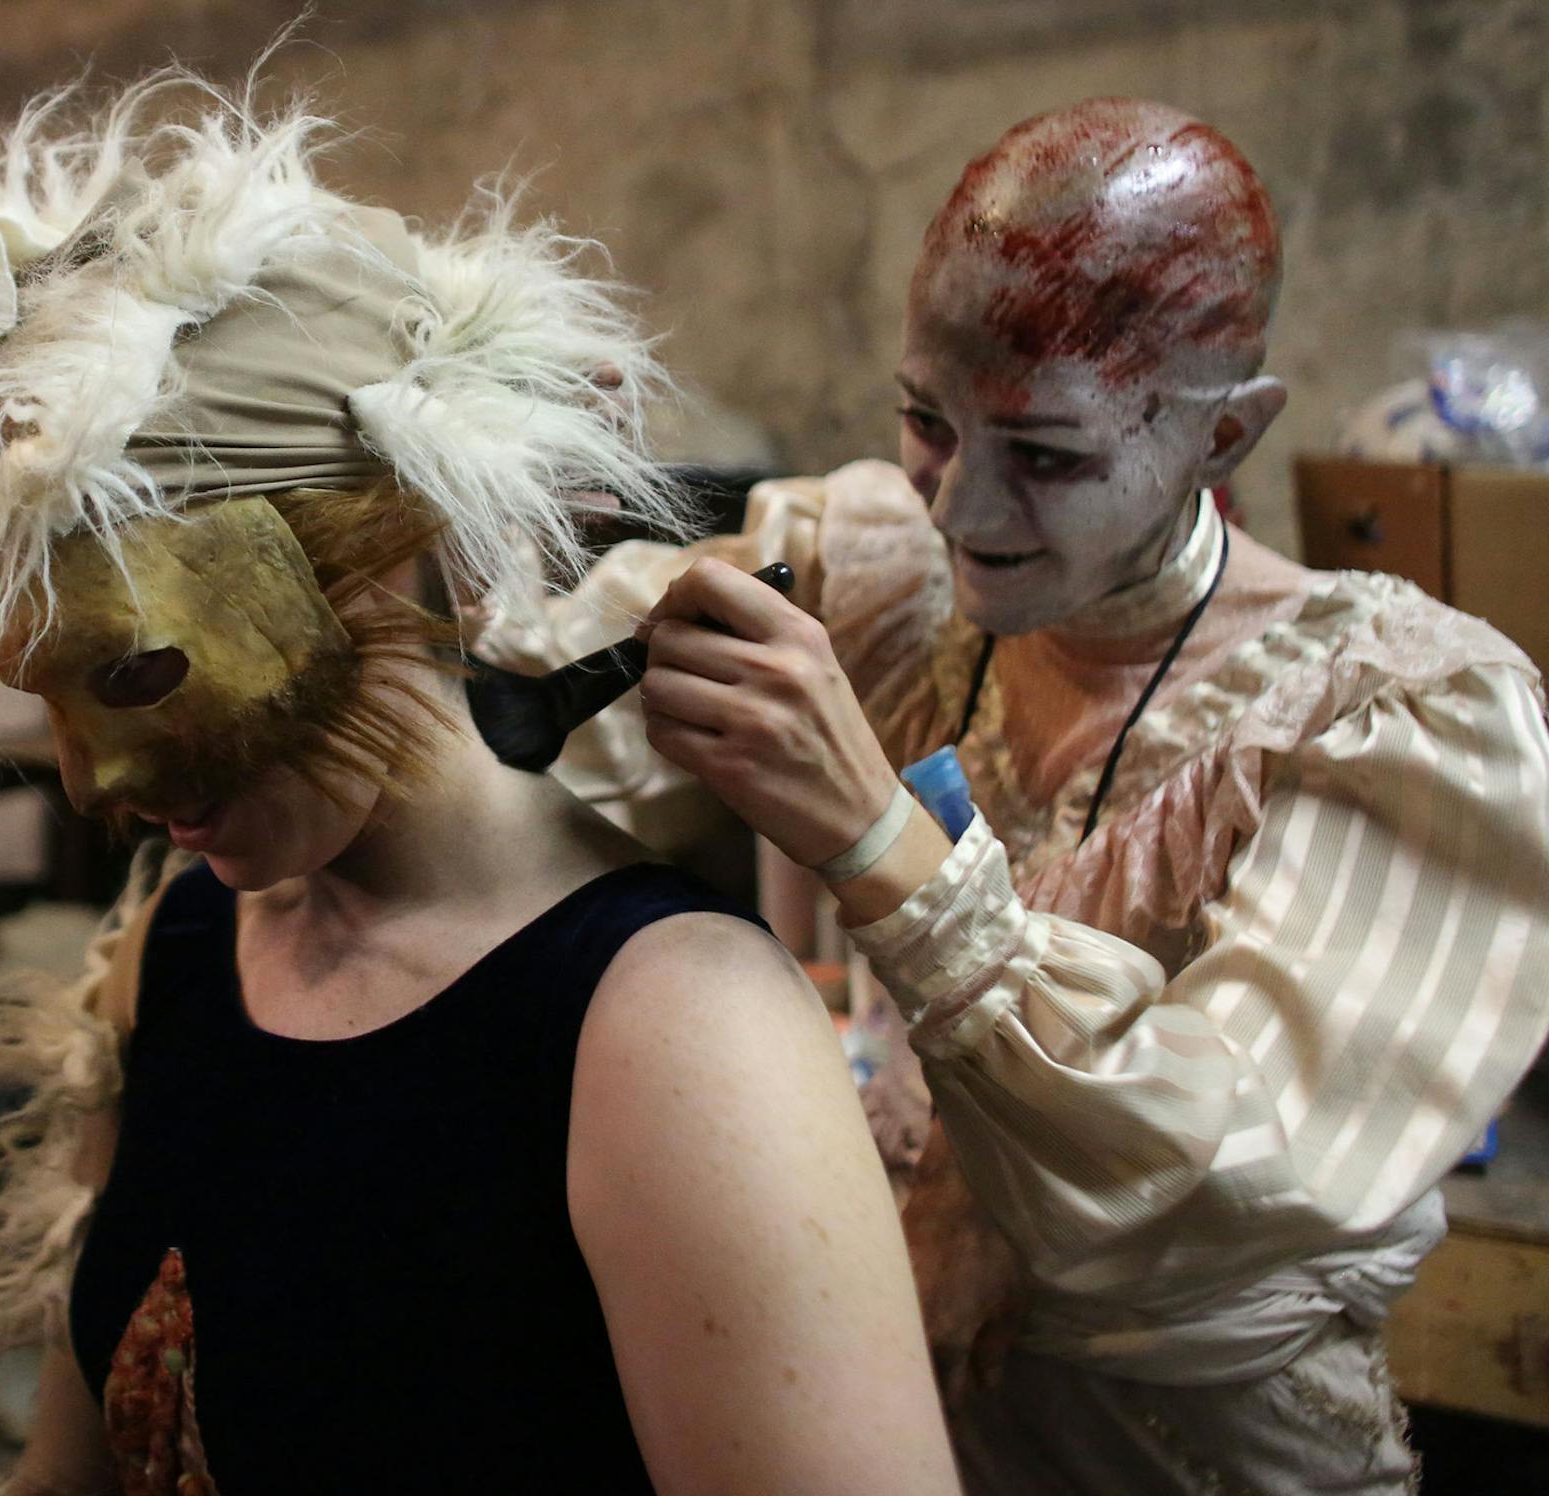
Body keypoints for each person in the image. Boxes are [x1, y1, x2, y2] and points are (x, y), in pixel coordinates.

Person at [0, 72, 957, 1494]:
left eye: (142, 671)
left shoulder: (679, 1033)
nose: (92, 782)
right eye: (42, 697)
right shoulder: (180, 946)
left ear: (375, 556)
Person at [500, 97, 1549, 1493]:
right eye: (926, 421)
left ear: (1226, 438)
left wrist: (882, 844)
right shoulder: (887, 582)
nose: (960, 509)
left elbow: (1212, 1187)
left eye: (1048, 455)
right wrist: (472, 502)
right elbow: (508, 718)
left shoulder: (1391, 715)